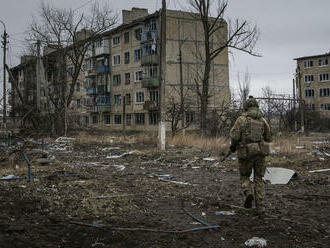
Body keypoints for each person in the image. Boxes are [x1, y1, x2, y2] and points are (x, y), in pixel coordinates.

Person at [229, 96, 272, 214]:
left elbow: (234, 136)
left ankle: (248, 192)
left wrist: (233, 146)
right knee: (259, 178)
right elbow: (268, 137)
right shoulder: (263, 120)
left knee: (244, 176)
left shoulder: (241, 120)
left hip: (246, 153)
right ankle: (261, 206)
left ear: (246, 107)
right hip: (260, 153)